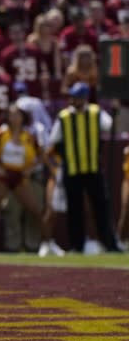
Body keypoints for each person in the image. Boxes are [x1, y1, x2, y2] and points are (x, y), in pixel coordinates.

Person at [47, 82, 122, 253]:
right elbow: (53, 140)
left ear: (85, 98)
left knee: (101, 207)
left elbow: (110, 126)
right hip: (72, 169)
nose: (75, 100)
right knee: (75, 210)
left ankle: (109, 243)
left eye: (78, 97)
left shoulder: (96, 113)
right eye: (73, 97)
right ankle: (76, 245)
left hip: (93, 168)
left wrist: (115, 110)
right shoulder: (64, 117)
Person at [0, 105, 44, 257]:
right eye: (11, 115)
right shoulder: (0, 134)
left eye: (17, 115)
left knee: (35, 210)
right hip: (3, 175)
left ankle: (47, 242)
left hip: (20, 176)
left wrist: (29, 170)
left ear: (23, 118)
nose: (14, 118)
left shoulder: (28, 136)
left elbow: (40, 155)